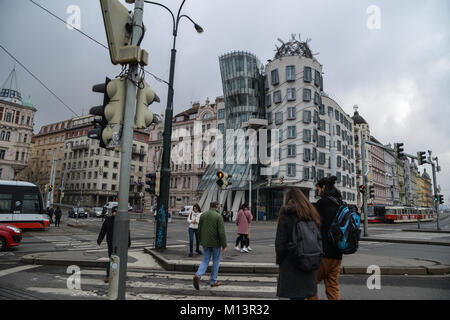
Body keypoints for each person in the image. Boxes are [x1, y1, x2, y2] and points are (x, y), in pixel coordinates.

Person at [275, 187, 321, 300]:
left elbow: (280, 244)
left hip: (291, 264)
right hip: (310, 262)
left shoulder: (286, 215)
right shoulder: (312, 215)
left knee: (295, 297)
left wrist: (280, 261)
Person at [309, 176, 343, 300]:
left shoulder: (322, 203)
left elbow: (314, 225)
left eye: (318, 189)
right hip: (338, 253)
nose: (318, 192)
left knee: (310, 284)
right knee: (332, 285)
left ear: (323, 187)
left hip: (324, 253)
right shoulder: (340, 202)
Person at [193, 201, 227, 290]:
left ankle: (198, 275)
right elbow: (221, 232)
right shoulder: (218, 216)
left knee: (205, 260)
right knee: (215, 261)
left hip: (205, 242)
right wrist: (224, 245)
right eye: (218, 206)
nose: (218, 208)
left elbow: (199, 229)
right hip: (216, 243)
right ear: (216, 207)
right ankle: (213, 281)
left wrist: (201, 240)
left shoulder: (203, 215)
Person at [97, 206, 131, 283]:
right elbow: (103, 230)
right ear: (112, 212)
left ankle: (121, 274)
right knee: (112, 259)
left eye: (117, 212)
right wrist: (99, 240)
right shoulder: (108, 220)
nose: (115, 213)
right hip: (111, 243)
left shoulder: (122, 220)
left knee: (121, 259)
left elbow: (127, 232)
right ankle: (108, 275)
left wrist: (128, 242)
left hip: (121, 243)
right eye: (114, 212)